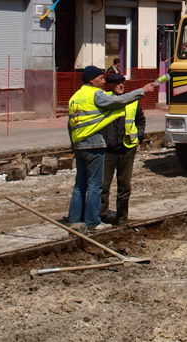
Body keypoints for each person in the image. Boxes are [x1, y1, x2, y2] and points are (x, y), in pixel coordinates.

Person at [67, 65, 157, 231]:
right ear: (90, 80)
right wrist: (142, 90)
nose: (103, 81)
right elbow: (117, 101)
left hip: (80, 145)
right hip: (95, 144)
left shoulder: (75, 97)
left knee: (80, 185)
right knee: (96, 186)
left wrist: (74, 145)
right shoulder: (96, 95)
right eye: (100, 78)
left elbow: (70, 124)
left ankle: (74, 220)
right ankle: (93, 222)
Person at [99, 74, 146, 227]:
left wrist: (139, 137)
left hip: (127, 148)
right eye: (117, 83)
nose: (121, 86)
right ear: (110, 85)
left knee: (124, 186)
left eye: (122, 83)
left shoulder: (132, 102)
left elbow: (140, 121)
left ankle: (122, 218)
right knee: (103, 185)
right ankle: (101, 215)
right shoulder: (103, 99)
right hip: (107, 149)